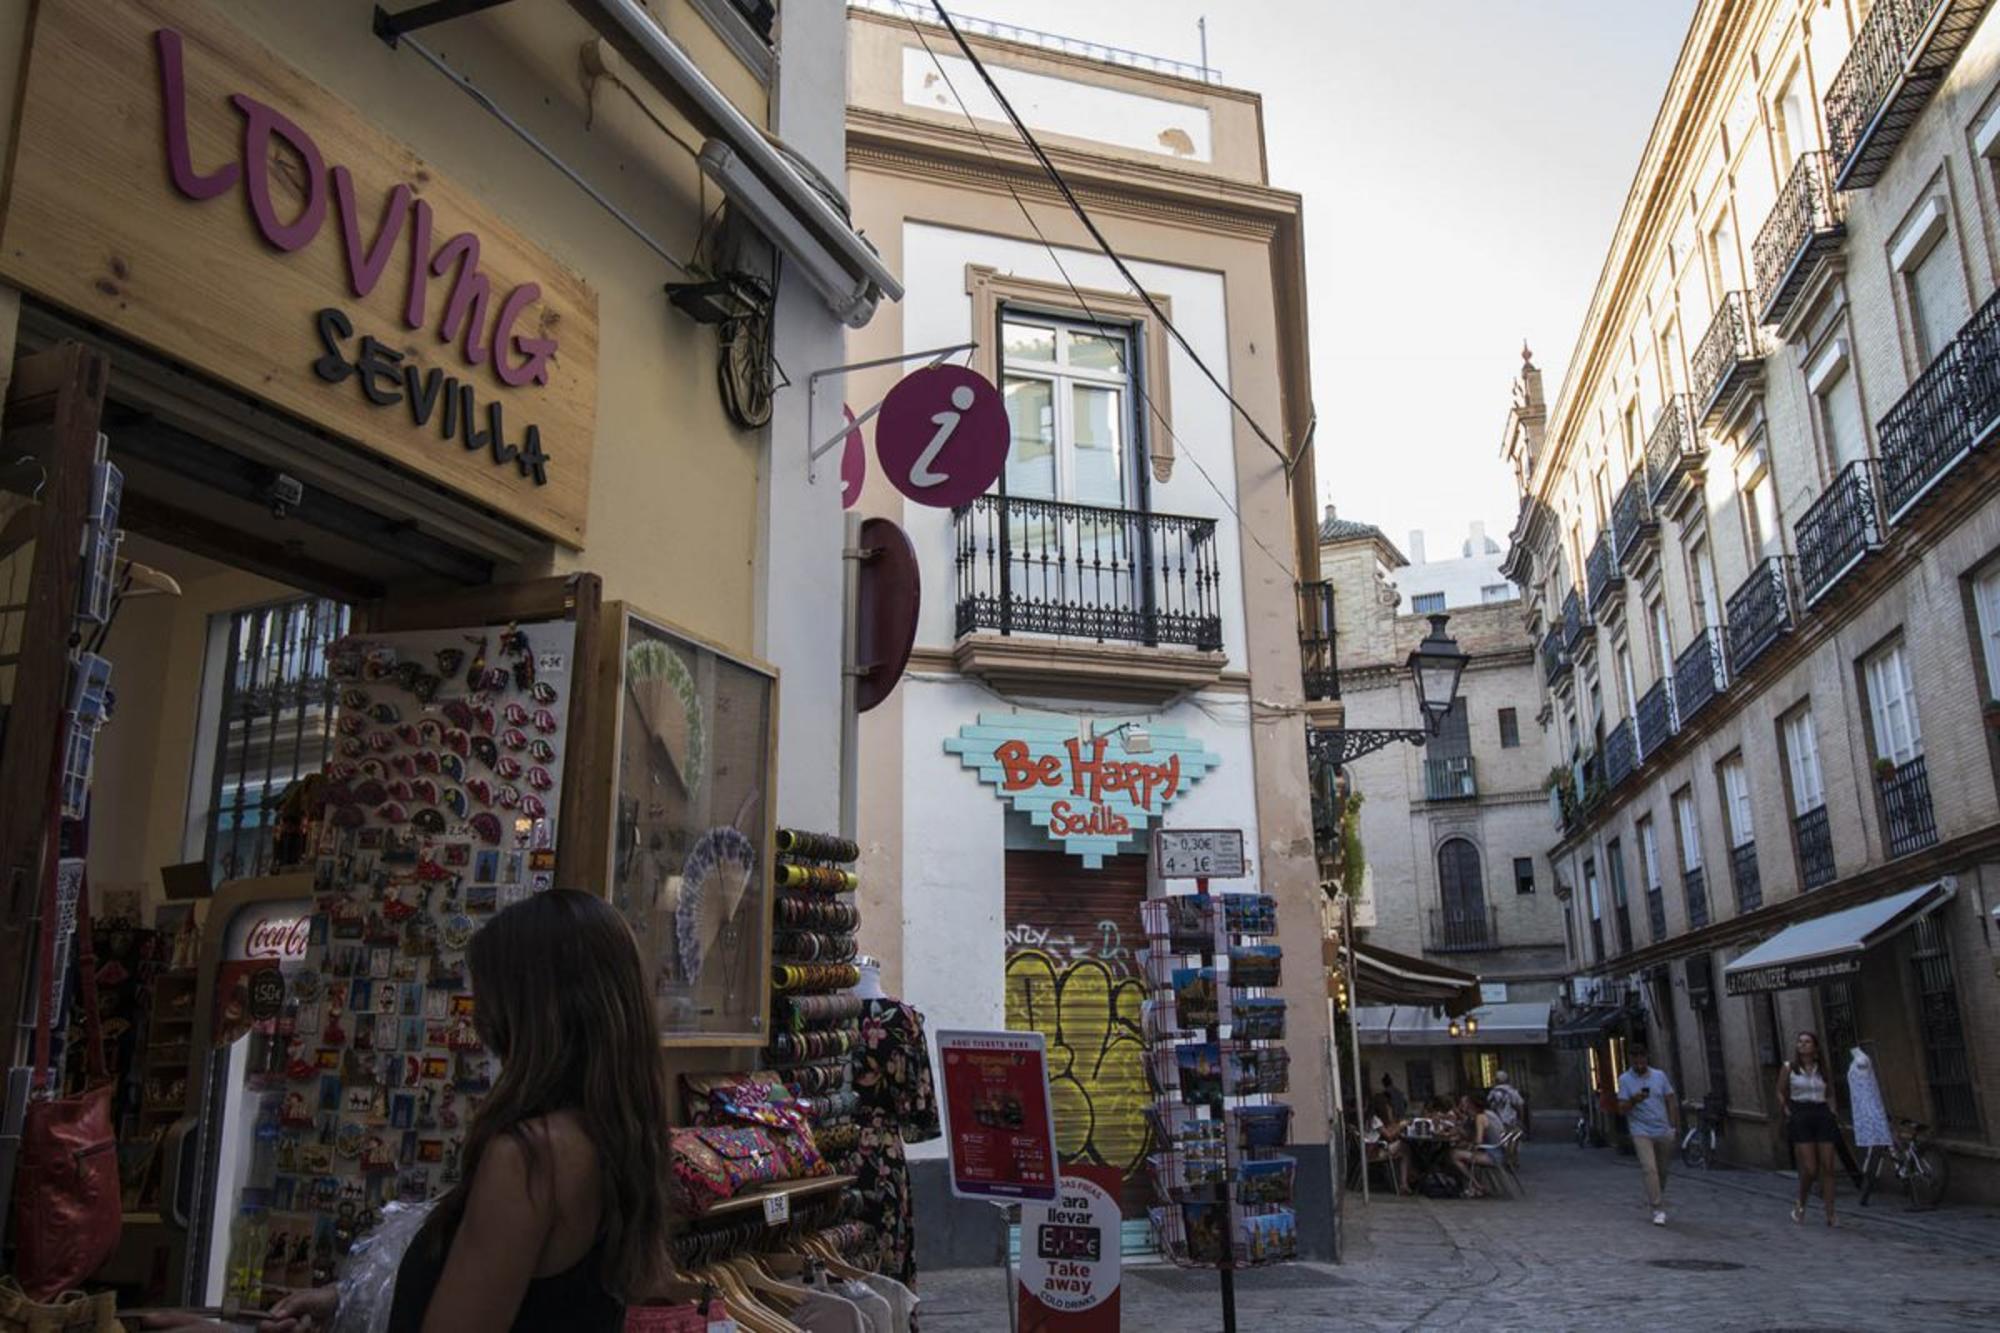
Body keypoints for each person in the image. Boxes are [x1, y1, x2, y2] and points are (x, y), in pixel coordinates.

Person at [147, 889, 672, 1332]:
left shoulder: (531, 1158)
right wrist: (349, 1303)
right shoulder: (612, 1137)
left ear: (532, 1006)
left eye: (487, 994)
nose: (479, 1014)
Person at [1777, 1030, 1842, 1227]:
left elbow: (1830, 1092)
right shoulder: (1789, 1067)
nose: (1802, 1045)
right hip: (1801, 1113)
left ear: (1815, 1047)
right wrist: (1787, 1111)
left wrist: (1832, 1111)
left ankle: (1831, 1214)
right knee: (1811, 1168)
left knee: (1828, 1166)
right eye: (1800, 1042)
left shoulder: (1822, 1068)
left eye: (1807, 1042)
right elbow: (1779, 1091)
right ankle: (1801, 1203)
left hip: (1822, 1113)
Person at [1615, 1044, 1678, 1226]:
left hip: (1662, 1129)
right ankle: (1657, 1207)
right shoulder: (1625, 1079)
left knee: (1662, 1170)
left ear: (1646, 1057)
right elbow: (1621, 1109)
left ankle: (1655, 1194)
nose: (1639, 1060)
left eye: (1641, 1056)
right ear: (1631, 1059)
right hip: (1640, 1131)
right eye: (1635, 1057)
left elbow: (1670, 1099)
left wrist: (1673, 1126)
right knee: (1649, 1168)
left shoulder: (1659, 1076)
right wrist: (1634, 1100)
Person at [1362, 1092, 1410, 1195]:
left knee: (1403, 1150)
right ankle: (1404, 1184)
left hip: (1371, 1150)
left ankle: (1404, 1182)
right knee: (1405, 1148)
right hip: (1375, 1153)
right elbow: (1389, 1135)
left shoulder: (1370, 1118)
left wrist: (1395, 1124)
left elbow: (1386, 1130)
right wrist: (1401, 1126)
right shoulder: (1375, 1120)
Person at [1486, 1070, 1526, 1134]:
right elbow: (1520, 1106)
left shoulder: (1492, 1093)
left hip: (1497, 1122)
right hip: (1511, 1121)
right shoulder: (1512, 1091)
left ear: (1496, 1080)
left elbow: (1489, 1106)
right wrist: (1521, 1120)